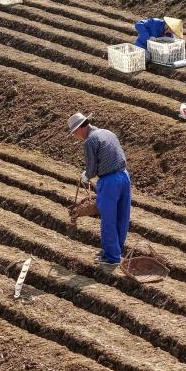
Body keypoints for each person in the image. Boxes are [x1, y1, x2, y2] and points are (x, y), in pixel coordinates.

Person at [68, 112, 131, 265]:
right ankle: (115, 250)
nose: (75, 136)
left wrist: (86, 175)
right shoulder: (107, 133)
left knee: (108, 219)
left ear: (80, 128)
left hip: (109, 181)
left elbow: (91, 169)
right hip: (124, 176)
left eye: (74, 132)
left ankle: (112, 257)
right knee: (122, 216)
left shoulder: (90, 141)